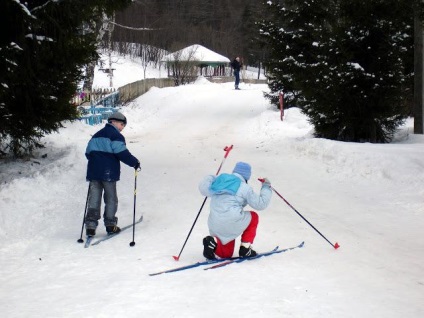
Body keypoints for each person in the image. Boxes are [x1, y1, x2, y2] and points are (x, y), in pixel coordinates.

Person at [199, 162, 272, 260]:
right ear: (246, 176)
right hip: (231, 222)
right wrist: (266, 187)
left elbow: (203, 189)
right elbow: (260, 204)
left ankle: (211, 244)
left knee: (225, 255)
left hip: (215, 223)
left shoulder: (220, 181)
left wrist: (211, 177)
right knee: (254, 217)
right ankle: (245, 249)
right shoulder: (244, 187)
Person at [84, 112, 140, 237]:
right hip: (108, 172)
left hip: (94, 172)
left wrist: (97, 161)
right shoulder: (116, 136)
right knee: (111, 199)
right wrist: (134, 163)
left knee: (94, 198)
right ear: (113, 122)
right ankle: (110, 225)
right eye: (121, 125)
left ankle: (90, 226)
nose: (121, 128)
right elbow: (122, 153)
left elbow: (88, 153)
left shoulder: (96, 136)